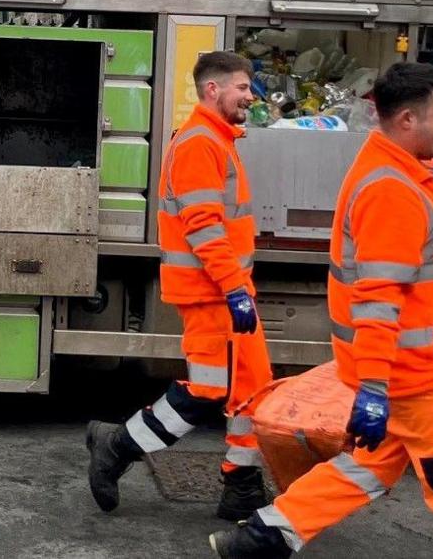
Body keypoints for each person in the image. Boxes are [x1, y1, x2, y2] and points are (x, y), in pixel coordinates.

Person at [210, 62, 433, 558]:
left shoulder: (390, 170)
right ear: (407, 120)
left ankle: (260, 539)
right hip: (423, 378)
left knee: (365, 468)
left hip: (409, 373)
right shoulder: (393, 190)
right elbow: (378, 301)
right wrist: (375, 389)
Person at [86, 50, 273, 521]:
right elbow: (204, 227)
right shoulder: (200, 144)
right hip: (214, 294)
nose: (250, 96)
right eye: (242, 87)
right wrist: (233, 289)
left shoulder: (215, 140)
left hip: (224, 291)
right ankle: (118, 446)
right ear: (214, 90)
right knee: (211, 390)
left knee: (251, 388)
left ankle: (242, 483)